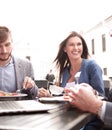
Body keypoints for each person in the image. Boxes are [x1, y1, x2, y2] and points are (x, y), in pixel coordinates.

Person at [38, 31, 105, 130]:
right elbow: (65, 97)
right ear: (65, 49)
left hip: (89, 120)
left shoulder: (92, 66)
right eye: (71, 45)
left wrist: (91, 93)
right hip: (70, 118)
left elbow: (102, 96)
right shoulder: (65, 71)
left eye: (79, 44)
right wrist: (50, 96)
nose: (76, 48)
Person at [0, 26, 38, 99]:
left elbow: (34, 95)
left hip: (18, 108)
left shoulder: (26, 65)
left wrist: (31, 87)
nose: (4, 51)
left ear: (12, 43)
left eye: (7, 45)